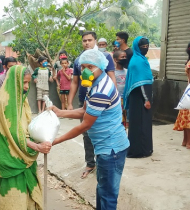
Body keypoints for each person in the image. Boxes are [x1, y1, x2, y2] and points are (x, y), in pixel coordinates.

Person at [49, 49, 129, 210]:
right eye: (83, 67)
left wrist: (54, 141)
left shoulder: (101, 91)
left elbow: (84, 125)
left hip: (111, 149)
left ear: (101, 66)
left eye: (90, 67)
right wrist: (60, 112)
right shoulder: (95, 83)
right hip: (104, 147)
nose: (86, 71)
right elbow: (84, 110)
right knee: (103, 190)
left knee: (107, 196)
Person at [0, 65, 52, 209]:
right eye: (23, 83)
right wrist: (37, 146)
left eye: (28, 83)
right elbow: (14, 134)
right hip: (10, 158)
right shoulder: (4, 103)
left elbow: (27, 127)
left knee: (29, 199)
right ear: (14, 82)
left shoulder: (22, 101)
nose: (26, 87)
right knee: (14, 200)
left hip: (25, 156)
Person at [67, 31, 116, 179]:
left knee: (103, 131)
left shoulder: (105, 57)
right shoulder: (79, 60)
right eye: (84, 41)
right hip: (85, 101)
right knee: (87, 134)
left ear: (95, 41)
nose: (87, 43)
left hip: (102, 102)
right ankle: (90, 163)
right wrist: (69, 103)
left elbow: (112, 77)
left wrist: (112, 99)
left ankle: (106, 163)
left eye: (89, 40)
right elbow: (75, 82)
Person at [123, 36, 153, 158]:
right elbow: (141, 83)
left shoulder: (140, 59)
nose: (145, 49)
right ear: (137, 47)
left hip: (141, 98)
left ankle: (145, 149)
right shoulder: (138, 62)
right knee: (140, 124)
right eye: (143, 47)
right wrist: (146, 99)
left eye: (147, 46)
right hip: (140, 98)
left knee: (143, 123)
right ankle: (139, 151)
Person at [113, 50, 128, 128]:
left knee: (124, 120)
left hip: (126, 99)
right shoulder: (112, 73)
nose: (124, 58)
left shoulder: (127, 72)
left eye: (125, 57)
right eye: (122, 57)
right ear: (116, 59)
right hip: (117, 100)